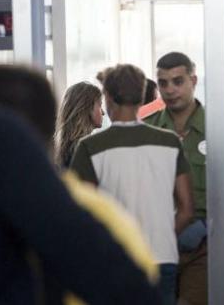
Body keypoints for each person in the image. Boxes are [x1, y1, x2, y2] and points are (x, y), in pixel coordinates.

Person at [0, 64, 161, 305]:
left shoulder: (67, 150)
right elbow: (131, 288)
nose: (104, 113)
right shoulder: (94, 208)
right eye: (99, 105)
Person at [144, 52, 224, 305]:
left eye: (178, 81)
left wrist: (210, 225)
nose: (170, 90)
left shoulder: (223, 128)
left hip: (206, 246)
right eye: (163, 83)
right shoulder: (146, 128)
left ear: (193, 80)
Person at [71, 64, 194, 305]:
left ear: (107, 98)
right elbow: (187, 208)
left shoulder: (89, 147)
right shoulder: (169, 142)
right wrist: (163, 233)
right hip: (162, 255)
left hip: (113, 258)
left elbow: (80, 212)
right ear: (142, 97)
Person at [54, 82, 104, 168]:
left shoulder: (58, 148)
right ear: (86, 108)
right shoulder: (86, 149)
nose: (103, 112)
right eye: (100, 105)